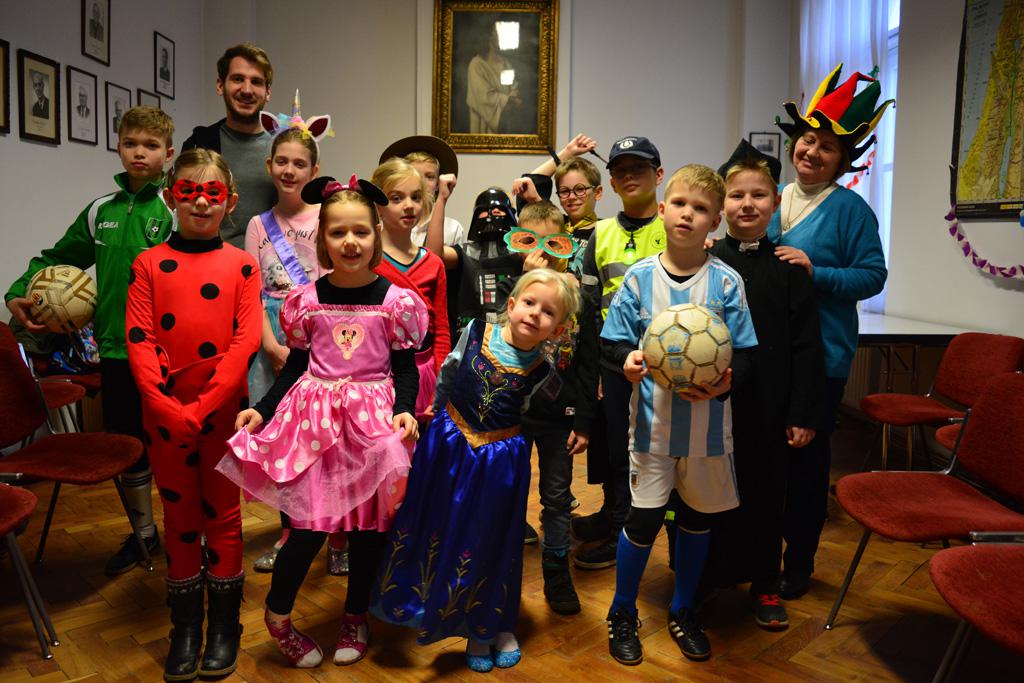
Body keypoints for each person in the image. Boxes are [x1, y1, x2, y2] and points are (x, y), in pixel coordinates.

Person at [217, 175, 426, 668]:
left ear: (376, 235)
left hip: (371, 430)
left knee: (369, 531)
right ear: (322, 239)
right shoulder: (305, 300)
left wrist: (405, 409)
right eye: (338, 232)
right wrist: (262, 409)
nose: (350, 242)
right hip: (314, 428)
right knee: (307, 530)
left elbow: (404, 368)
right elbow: (295, 366)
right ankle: (278, 617)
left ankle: (355, 615)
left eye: (360, 231)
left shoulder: (395, 302)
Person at [373, 267, 580, 672]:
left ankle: (486, 626)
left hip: (497, 462)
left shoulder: (543, 371)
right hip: (449, 446)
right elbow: (449, 374)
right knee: (436, 523)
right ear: (512, 304)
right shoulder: (475, 332)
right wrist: (436, 417)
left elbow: (531, 412)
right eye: (529, 303)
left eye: (548, 312)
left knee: (489, 538)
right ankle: (426, 601)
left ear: (556, 330)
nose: (535, 314)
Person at [5, 106, 175, 577]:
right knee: (128, 444)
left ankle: (189, 533)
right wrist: (19, 291)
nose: (139, 153)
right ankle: (143, 532)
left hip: (166, 353)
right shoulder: (101, 211)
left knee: (175, 446)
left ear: (168, 153)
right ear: (118, 147)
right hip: (115, 351)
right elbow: (57, 257)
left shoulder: (174, 209)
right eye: (131, 143)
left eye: (151, 145)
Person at [601, 164, 757, 665]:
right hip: (652, 428)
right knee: (643, 520)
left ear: (715, 222)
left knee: (695, 519)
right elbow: (612, 344)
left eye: (702, 208)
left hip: (709, 431)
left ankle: (684, 608)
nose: (689, 215)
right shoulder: (639, 279)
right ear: (664, 210)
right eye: (682, 204)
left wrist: (729, 381)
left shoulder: (727, 283)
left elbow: (747, 354)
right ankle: (622, 611)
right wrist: (626, 359)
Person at [125, 148, 262, 681]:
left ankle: (225, 627)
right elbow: (140, 340)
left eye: (212, 193)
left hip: (223, 414)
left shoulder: (242, 265)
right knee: (180, 518)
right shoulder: (147, 264)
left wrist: (203, 407)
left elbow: (244, 341)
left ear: (230, 202)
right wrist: (166, 407)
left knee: (223, 515)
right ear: (170, 197)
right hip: (165, 417)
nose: (200, 202)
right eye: (188, 191)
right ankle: (184, 627)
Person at [767, 64, 891, 601]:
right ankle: (758, 555)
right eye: (808, 140)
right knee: (766, 461)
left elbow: (873, 276)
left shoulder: (851, 210)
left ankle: (799, 564)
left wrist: (817, 272)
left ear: (844, 159)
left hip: (821, 357)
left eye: (828, 147)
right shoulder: (771, 197)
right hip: (769, 354)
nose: (812, 152)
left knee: (806, 465)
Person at [707, 140, 825, 630]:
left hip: (772, 407)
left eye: (758, 195)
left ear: (775, 202)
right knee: (712, 492)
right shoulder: (707, 262)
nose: (747, 205)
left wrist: (802, 412)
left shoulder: (789, 269)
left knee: (767, 493)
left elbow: (807, 346)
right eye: (736, 195)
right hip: (715, 403)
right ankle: (711, 575)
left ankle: (765, 583)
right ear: (721, 204)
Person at [246, 98, 347, 577]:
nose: (289, 170)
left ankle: (338, 535)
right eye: (282, 161)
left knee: (328, 442)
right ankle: (289, 534)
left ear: (314, 170)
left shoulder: (325, 216)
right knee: (282, 443)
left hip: (320, 336)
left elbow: (335, 285)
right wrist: (269, 344)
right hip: (270, 336)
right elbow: (250, 291)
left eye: (299, 163)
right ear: (269, 166)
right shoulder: (256, 225)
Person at [497, 200, 599, 614]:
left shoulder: (579, 298)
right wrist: (523, 280)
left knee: (557, 497)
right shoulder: (512, 291)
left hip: (562, 419)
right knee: (508, 492)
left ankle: (557, 570)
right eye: (530, 241)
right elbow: (494, 341)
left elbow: (589, 362)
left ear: (565, 243)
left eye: (551, 243)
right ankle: (502, 570)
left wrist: (585, 421)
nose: (541, 251)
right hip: (513, 416)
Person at [574, 136, 666, 570]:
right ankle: (615, 518)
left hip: (663, 364)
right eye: (621, 171)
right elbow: (590, 307)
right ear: (610, 183)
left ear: (658, 175)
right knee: (615, 449)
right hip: (613, 361)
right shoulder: (602, 233)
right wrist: (595, 367)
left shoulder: (672, 226)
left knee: (651, 451)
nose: (630, 176)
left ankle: (635, 529)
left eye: (639, 169)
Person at [371, 157, 451, 422]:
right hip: (380, 376)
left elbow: (442, 331)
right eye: (396, 198)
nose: (409, 206)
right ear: (378, 206)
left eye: (416, 197)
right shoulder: (369, 261)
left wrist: (440, 383)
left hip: (425, 373)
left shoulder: (433, 263)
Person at [182, 43, 277, 248]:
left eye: (256, 82)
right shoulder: (199, 144)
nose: (247, 90)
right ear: (220, 85)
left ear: (268, 92)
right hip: (209, 261)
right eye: (238, 79)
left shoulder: (284, 149)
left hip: (272, 265)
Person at [378, 135, 466, 248]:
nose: (422, 183)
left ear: (438, 183)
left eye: (429, 177)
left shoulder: (452, 229)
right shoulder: (385, 226)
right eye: (416, 176)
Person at [466, 25, 519, 134]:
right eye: (497, 34)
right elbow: (484, 96)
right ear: (490, 37)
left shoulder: (506, 64)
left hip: (506, 122)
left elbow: (514, 88)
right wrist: (509, 101)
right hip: (483, 126)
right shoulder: (476, 65)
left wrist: (513, 97)